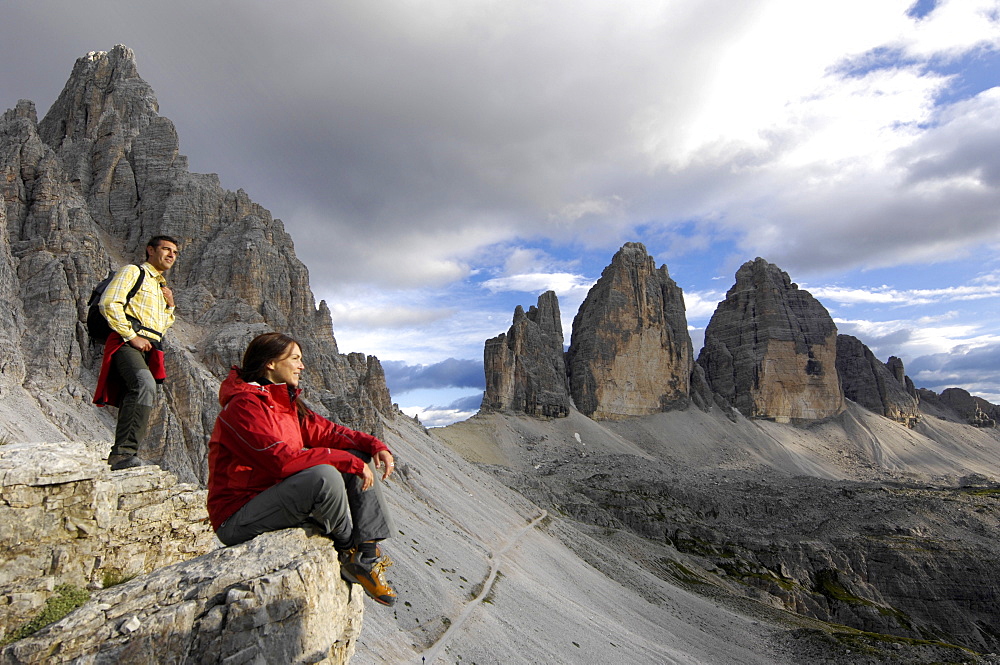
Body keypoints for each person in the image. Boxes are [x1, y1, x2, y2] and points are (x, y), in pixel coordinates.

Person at [206, 332, 398, 606]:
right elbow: (280, 461)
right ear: (270, 363)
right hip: (237, 517)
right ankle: (348, 549)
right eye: (295, 359)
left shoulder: (284, 404)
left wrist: (374, 444)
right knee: (325, 475)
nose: (302, 366)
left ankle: (366, 554)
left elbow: (327, 432)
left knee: (358, 454)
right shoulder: (244, 407)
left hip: (271, 500)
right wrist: (345, 461)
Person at [94, 235, 179, 471]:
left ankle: (125, 452)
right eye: (166, 249)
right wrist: (132, 336)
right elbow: (109, 303)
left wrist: (170, 306)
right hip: (126, 341)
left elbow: (161, 326)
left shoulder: (161, 287)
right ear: (150, 250)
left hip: (149, 346)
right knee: (143, 385)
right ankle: (123, 454)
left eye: (175, 252)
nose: (171, 255)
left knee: (141, 391)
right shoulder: (133, 272)